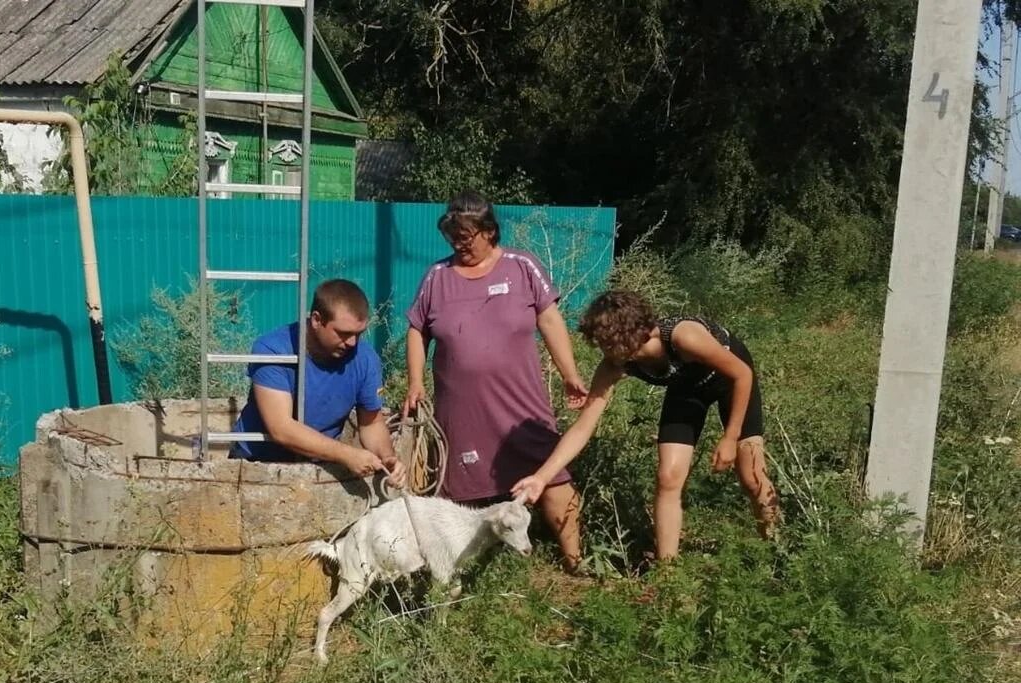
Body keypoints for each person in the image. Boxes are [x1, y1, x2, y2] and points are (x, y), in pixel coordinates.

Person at [511, 289, 779, 561]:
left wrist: (730, 438)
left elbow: (742, 374)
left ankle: (774, 547)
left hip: (731, 380)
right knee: (668, 477)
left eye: (607, 342)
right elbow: (583, 426)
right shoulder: (614, 365)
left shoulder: (684, 337)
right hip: (685, 388)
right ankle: (668, 572)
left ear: (628, 335)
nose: (603, 351)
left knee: (750, 474)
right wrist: (542, 477)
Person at [402, 191, 587, 572]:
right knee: (464, 494)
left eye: (466, 236)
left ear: (489, 231)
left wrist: (570, 375)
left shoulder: (522, 266)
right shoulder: (437, 277)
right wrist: (415, 382)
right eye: (452, 236)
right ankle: (469, 570)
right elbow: (417, 330)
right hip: (461, 410)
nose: (458, 243)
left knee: (553, 479)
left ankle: (576, 562)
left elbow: (550, 321)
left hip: (521, 407)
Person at [230, 278, 405, 486]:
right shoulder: (273, 349)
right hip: (258, 465)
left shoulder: (365, 359)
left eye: (359, 334)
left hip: (319, 467)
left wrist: (387, 458)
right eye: (343, 333)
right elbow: (281, 428)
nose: (352, 342)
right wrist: (346, 454)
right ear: (316, 320)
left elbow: (372, 423)